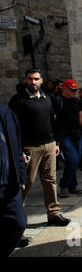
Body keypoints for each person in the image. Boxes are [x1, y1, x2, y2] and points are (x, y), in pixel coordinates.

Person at [8, 69, 70, 226]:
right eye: (30, 79)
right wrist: (18, 149)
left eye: (36, 79)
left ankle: (54, 213)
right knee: (26, 181)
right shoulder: (18, 101)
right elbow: (14, 127)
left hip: (48, 145)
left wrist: (55, 142)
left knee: (50, 180)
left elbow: (53, 122)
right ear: (25, 80)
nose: (33, 82)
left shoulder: (48, 99)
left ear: (42, 81)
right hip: (29, 148)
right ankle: (16, 217)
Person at [54, 79, 82, 198]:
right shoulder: (58, 101)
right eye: (72, 90)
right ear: (64, 89)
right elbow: (53, 119)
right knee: (72, 159)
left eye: (75, 90)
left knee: (76, 159)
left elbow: (81, 117)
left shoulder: (76, 101)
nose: (74, 92)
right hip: (64, 134)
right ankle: (64, 185)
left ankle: (72, 185)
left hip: (76, 133)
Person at [0, 104, 28, 257]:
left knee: (18, 223)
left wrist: (21, 175)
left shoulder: (5, 113)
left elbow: (16, 147)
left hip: (8, 183)